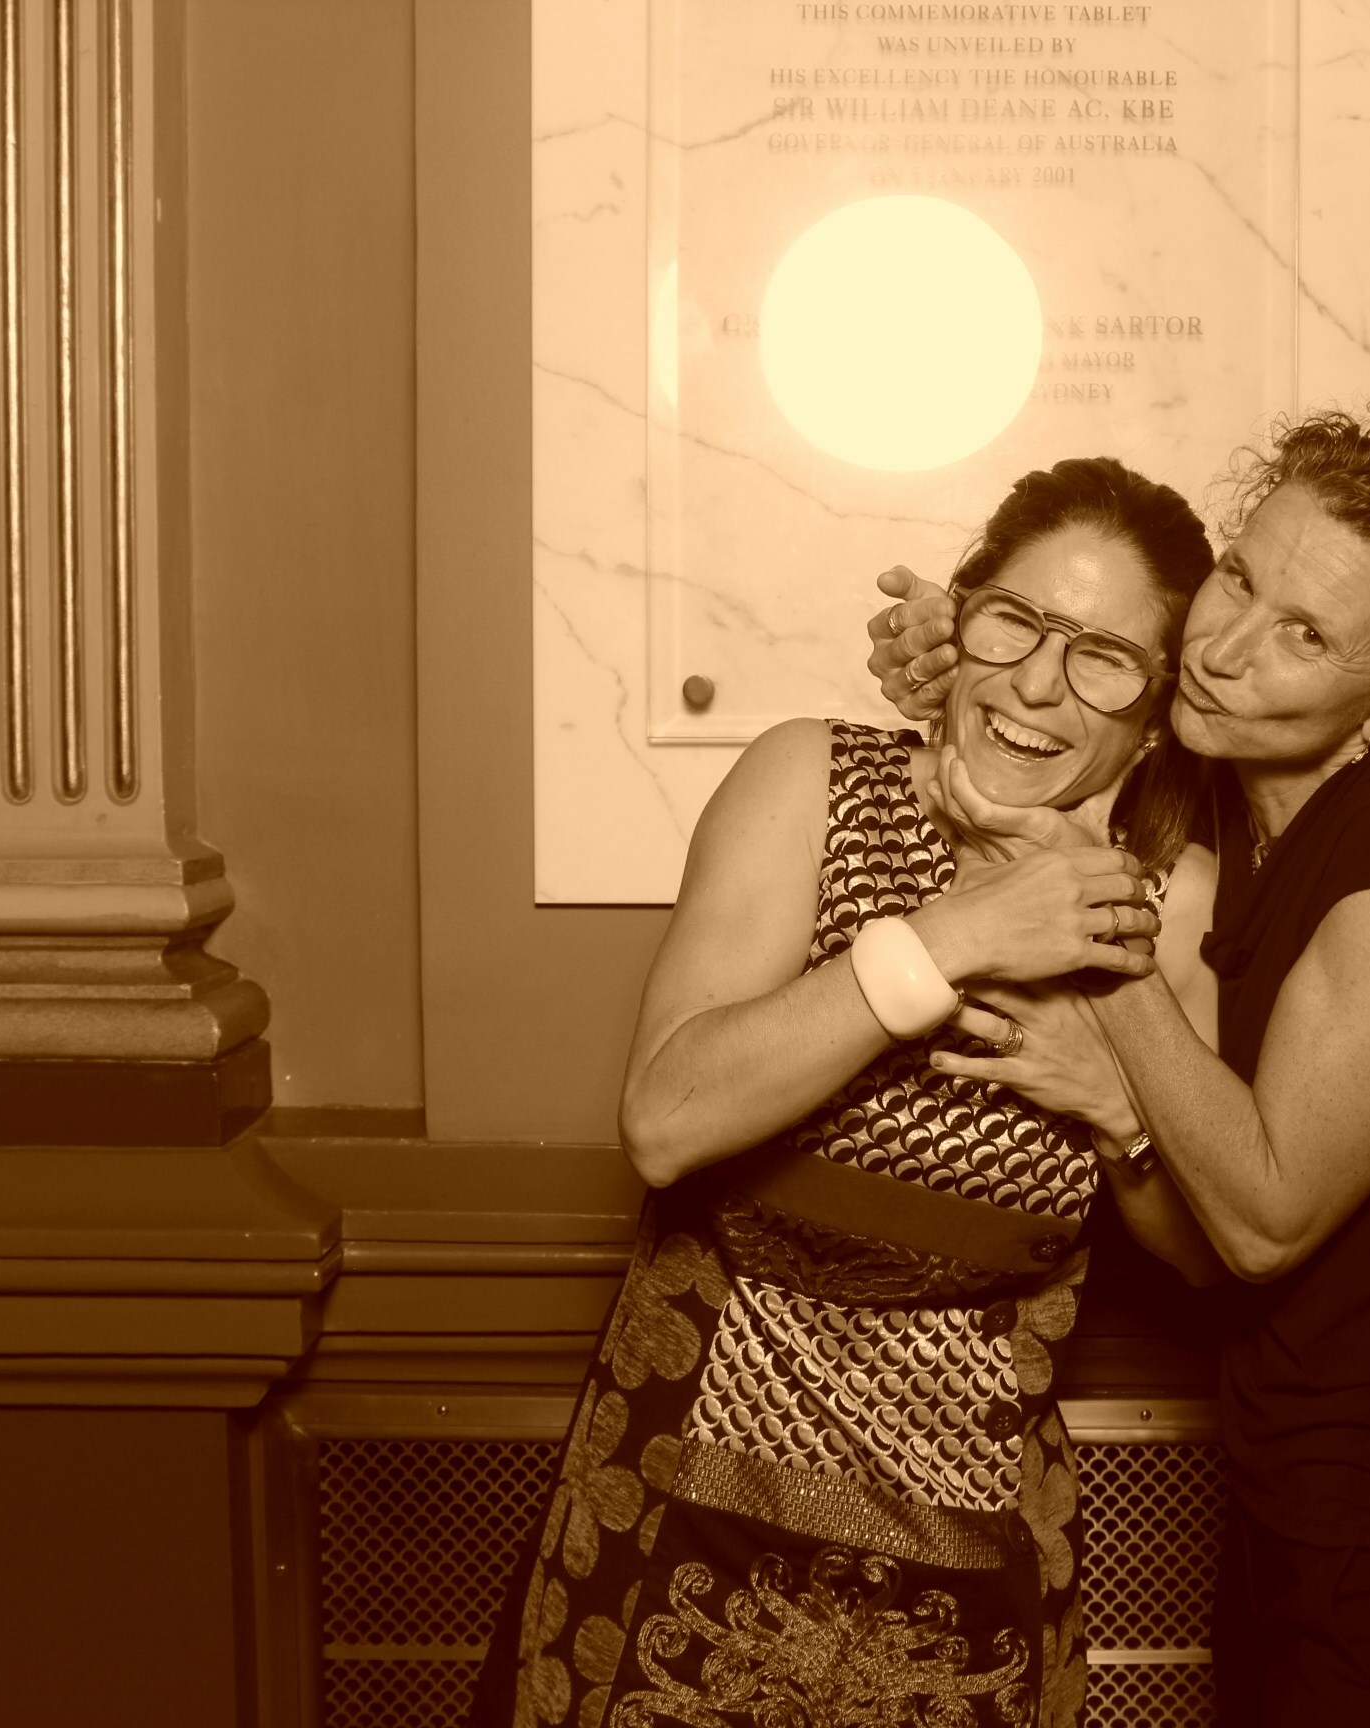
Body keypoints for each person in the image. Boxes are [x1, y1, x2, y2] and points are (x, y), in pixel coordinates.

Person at [866, 412, 1370, 1728]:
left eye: (1304, 636)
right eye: (1241, 578)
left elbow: (1265, 1220)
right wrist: (962, 654)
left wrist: (1091, 919)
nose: (1224, 648)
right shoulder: (1263, 793)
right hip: (1300, 1512)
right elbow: (1089, 693)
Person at [470, 457, 1232, 1728]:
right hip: (679, 1522)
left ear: (1152, 717)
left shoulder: (1172, 903)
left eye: (1103, 657)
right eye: (1016, 622)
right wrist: (955, 934)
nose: (1039, 683)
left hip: (965, 1561)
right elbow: (665, 1121)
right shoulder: (811, 783)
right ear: (959, 621)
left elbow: (1207, 1254)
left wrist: (1117, 1109)